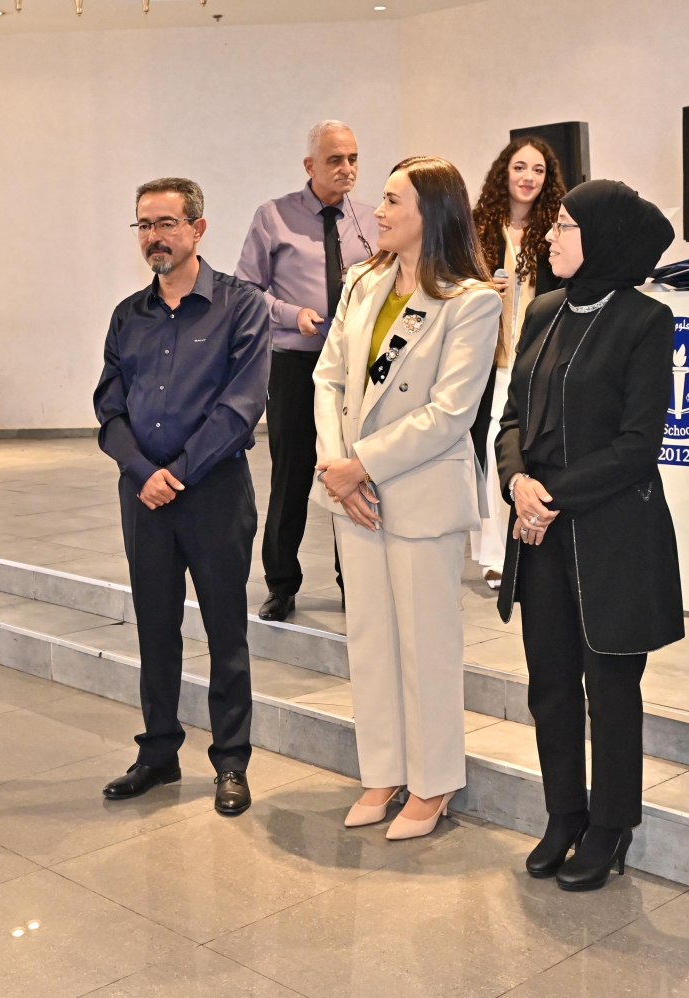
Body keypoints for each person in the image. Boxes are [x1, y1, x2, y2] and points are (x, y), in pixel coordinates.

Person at [495, 179, 681, 890]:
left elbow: (639, 444)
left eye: (565, 226)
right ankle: (564, 814)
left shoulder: (645, 319)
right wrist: (518, 482)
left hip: (610, 532)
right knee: (549, 684)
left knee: (611, 688)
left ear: (601, 237)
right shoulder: (544, 311)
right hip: (539, 527)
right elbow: (512, 418)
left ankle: (610, 826)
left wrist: (551, 496)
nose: (550, 235)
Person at [312, 156, 501, 840]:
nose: (378, 211)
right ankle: (384, 770)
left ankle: (434, 781)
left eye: (393, 201)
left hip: (418, 492)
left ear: (432, 212)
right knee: (370, 641)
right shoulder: (362, 282)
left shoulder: (471, 301)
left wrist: (360, 465)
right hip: (354, 493)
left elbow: (450, 413)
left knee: (426, 646)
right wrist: (336, 466)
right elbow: (328, 378)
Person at [93, 177, 271, 816]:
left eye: (166, 223)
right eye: (144, 225)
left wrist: (179, 474)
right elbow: (108, 407)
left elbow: (241, 406)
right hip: (144, 497)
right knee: (155, 626)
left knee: (225, 630)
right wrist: (142, 472)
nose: (154, 237)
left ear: (197, 228)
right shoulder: (127, 316)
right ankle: (158, 753)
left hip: (214, 491)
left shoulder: (241, 306)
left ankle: (231, 761)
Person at [236, 120, 379, 621]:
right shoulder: (274, 217)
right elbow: (246, 290)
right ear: (310, 165)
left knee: (352, 471)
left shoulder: (371, 220)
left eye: (353, 159)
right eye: (335, 159)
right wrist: (290, 314)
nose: (347, 168)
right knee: (292, 475)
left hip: (356, 368)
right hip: (296, 363)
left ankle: (353, 581)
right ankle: (281, 584)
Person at [468, 137, 566, 589]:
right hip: (491, 361)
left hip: (540, 358)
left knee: (531, 453)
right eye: (520, 167)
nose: (529, 177)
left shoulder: (555, 232)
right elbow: (449, 283)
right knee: (492, 451)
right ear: (503, 173)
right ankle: (493, 555)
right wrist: (479, 288)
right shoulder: (478, 229)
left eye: (538, 170)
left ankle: (530, 539)